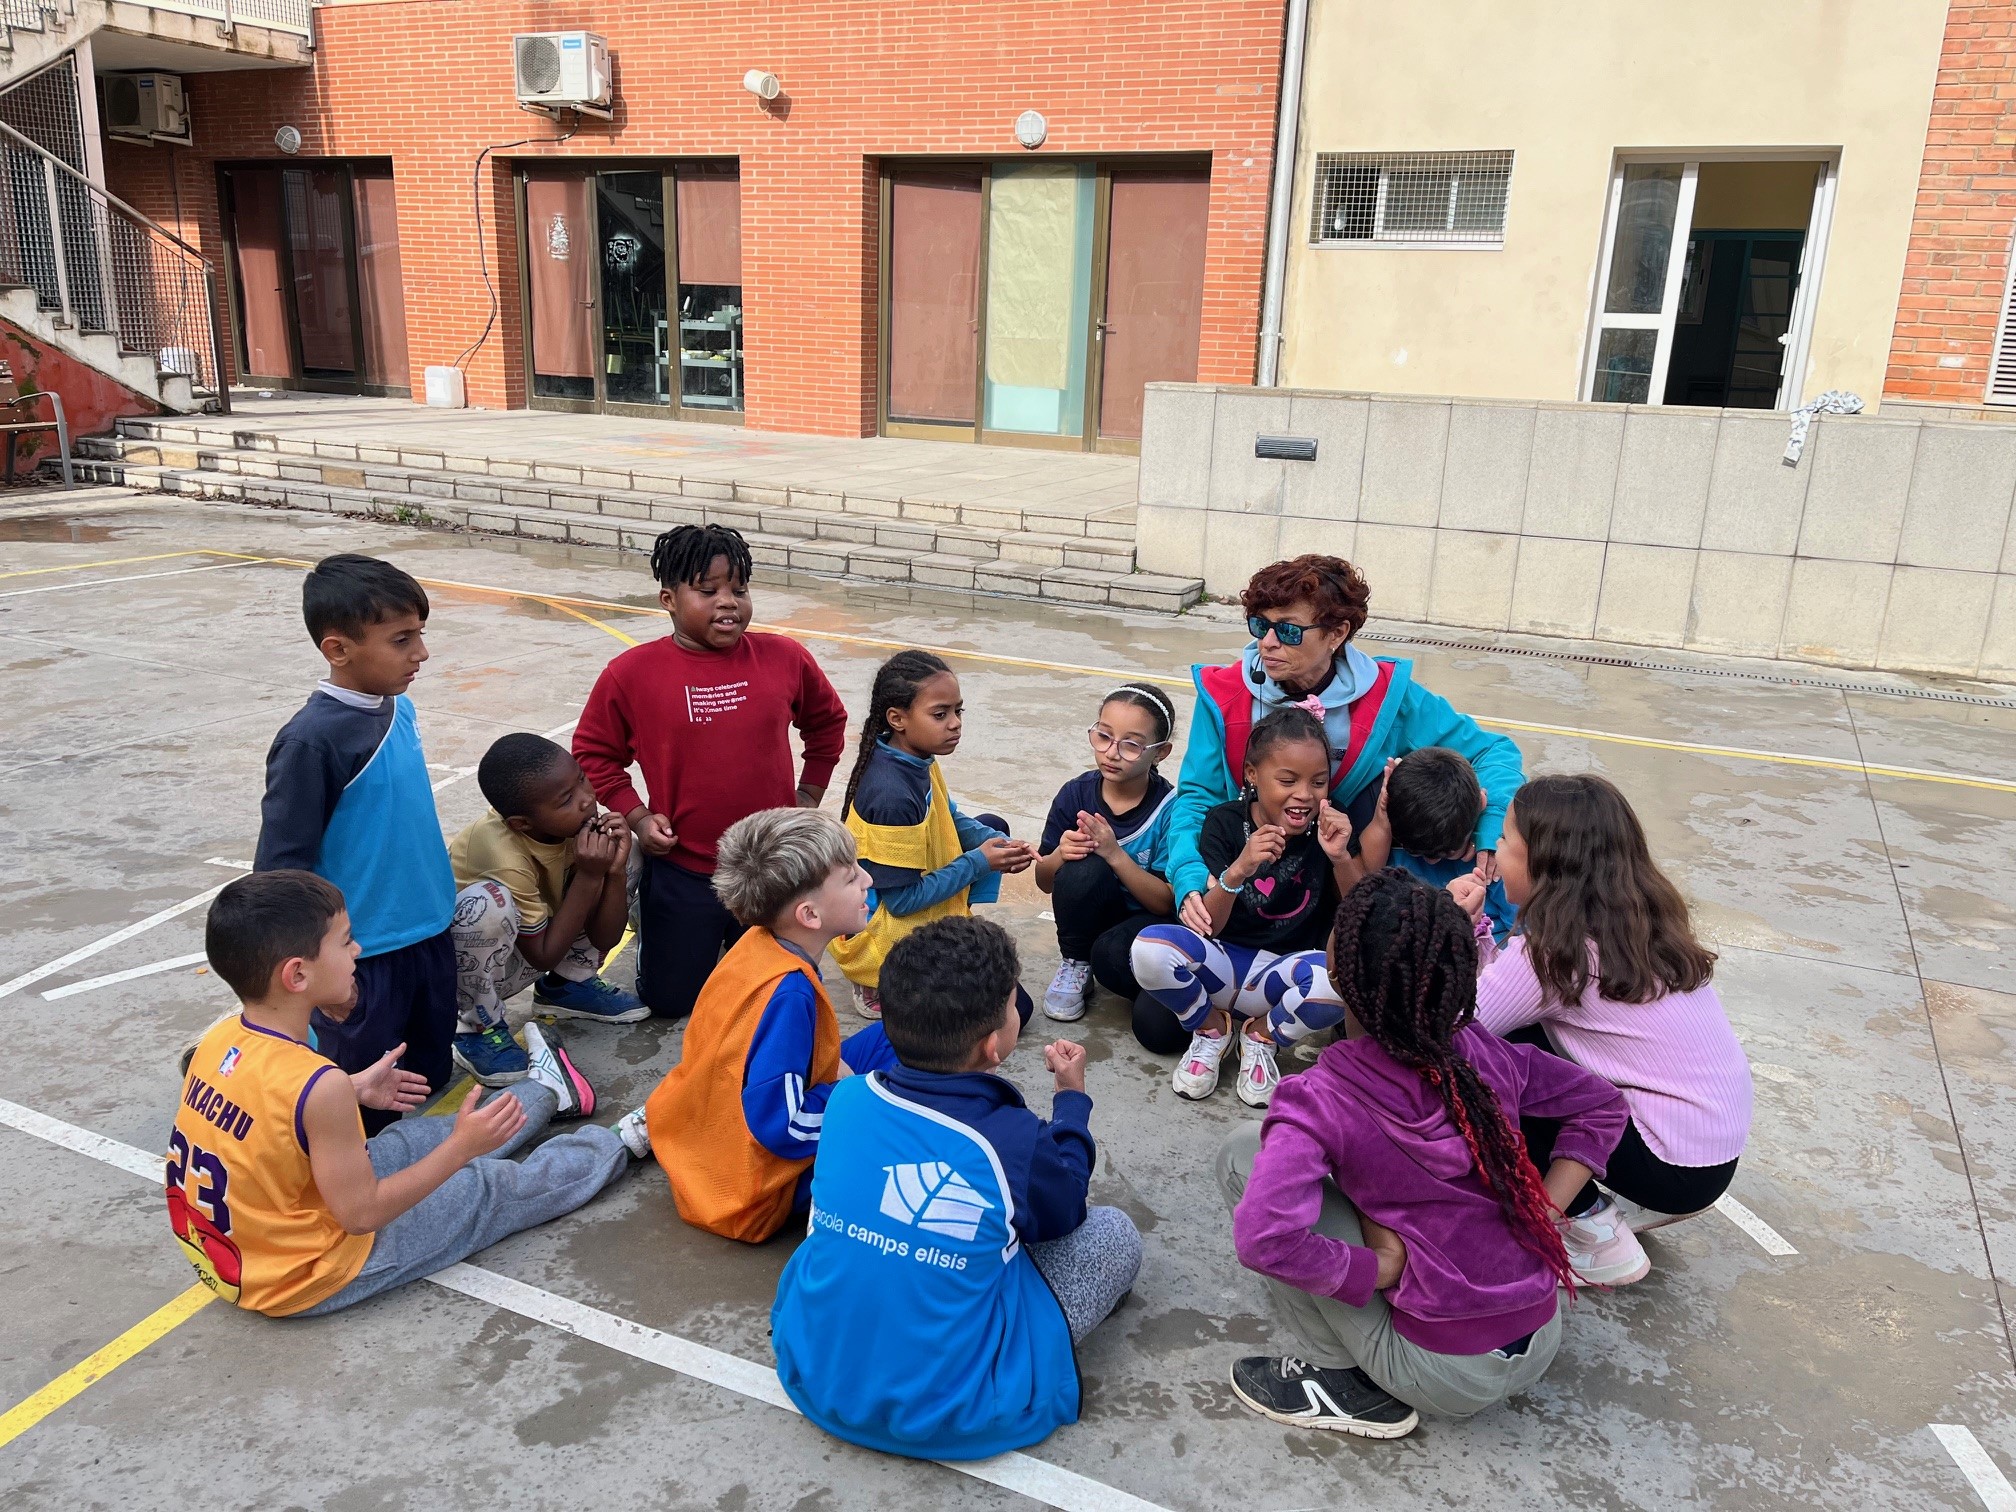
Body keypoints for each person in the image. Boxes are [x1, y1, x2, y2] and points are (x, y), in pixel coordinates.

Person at [1220, 870, 1627, 1439]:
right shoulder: (1485, 1051)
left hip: (1441, 1372)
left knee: (1242, 1151)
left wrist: (1375, 1268)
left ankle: (1335, 1381)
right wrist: (1545, 1210)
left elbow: (1264, 1239)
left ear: (1337, 977)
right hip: (1542, 1333)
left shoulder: (1320, 1098)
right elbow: (1604, 1104)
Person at [167, 871, 646, 1320]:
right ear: (297, 975)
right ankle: (622, 1140)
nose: (357, 949)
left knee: (409, 1142)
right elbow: (362, 1215)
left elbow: (262, 1115)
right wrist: (461, 1151)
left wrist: (353, 1088)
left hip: (255, 1242)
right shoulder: (317, 1084)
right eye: (344, 940)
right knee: (484, 1185)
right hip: (305, 1273)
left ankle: (546, 1090)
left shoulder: (220, 1039)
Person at [771, 916, 1141, 1460]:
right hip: (953, 1409)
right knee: (1116, 1234)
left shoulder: (845, 1101)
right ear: (994, 1046)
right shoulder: (1010, 1140)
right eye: (1017, 1006)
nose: (1020, 1011)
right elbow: (1066, 1208)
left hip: (819, 1371)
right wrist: (1071, 1102)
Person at [1159, 554, 1523, 1048]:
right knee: (1149, 1013)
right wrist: (1187, 878)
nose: (1266, 643)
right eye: (1259, 625)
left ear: (1336, 634)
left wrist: (1487, 826)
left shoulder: (1388, 696)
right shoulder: (1224, 695)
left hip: (1334, 884)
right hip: (1239, 883)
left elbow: (1491, 750)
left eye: (1288, 630)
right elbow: (1197, 796)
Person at [1454, 773, 1752, 1284]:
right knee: (1528, 1041)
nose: (1495, 853)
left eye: (1504, 841)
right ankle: (1606, 1201)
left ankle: (1590, 1229)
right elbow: (1501, 996)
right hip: (1710, 1153)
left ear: (1545, 866)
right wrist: (1483, 931)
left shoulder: (1550, 955)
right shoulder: (1639, 924)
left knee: (1484, 1068)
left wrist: (1457, 931)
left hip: (1669, 1161)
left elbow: (1460, 1022)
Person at [573, 525, 850, 1021]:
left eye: (739, 590)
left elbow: (828, 722)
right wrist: (637, 817)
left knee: (776, 997)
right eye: (708, 590)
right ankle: (656, 929)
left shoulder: (785, 657)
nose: (729, 602)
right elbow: (594, 753)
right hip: (685, 867)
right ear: (668, 599)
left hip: (772, 869)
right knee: (672, 1003)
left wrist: (809, 793)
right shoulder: (631, 673)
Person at [254, 553, 457, 1135]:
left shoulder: (401, 707)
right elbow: (279, 872)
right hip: (362, 955)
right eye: (401, 640)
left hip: (428, 933)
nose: (420, 653)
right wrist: (318, 976)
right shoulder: (309, 742)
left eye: (420, 635)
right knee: (358, 1104)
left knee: (424, 1079)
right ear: (338, 650)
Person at [643, 808, 893, 1243]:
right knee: (900, 1100)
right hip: (748, 1196)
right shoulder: (789, 995)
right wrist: (858, 1097)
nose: (868, 882)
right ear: (810, 915)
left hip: (705, 1142)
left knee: (906, 1034)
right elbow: (782, 1125)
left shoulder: (756, 943)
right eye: (852, 878)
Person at [1131, 708, 1356, 1107]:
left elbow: (1362, 915)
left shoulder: (1329, 829)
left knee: (1343, 982)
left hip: (1279, 976)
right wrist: (1240, 869)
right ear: (1252, 775)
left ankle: (1262, 1036)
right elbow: (1210, 928)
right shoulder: (1225, 822)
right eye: (1288, 780)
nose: (1305, 794)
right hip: (1220, 962)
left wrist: (1339, 857)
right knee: (1147, 949)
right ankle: (1211, 1029)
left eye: (1318, 782)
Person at [829, 650, 1036, 1021]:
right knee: (1013, 1010)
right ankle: (877, 978)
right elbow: (902, 903)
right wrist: (979, 861)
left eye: (959, 711)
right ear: (898, 718)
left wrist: (996, 843)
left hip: (903, 891)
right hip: (883, 926)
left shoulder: (915, 755)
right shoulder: (892, 794)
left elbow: (948, 815)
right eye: (940, 714)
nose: (955, 724)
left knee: (994, 827)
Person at [445, 733, 646, 1088]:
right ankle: (474, 1027)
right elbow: (541, 956)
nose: (587, 800)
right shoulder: (501, 851)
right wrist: (589, 876)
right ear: (523, 823)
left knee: (623, 849)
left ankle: (568, 986)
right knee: (489, 904)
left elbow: (606, 937)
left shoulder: (573, 824)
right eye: (566, 799)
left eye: (582, 778)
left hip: (539, 936)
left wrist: (611, 874)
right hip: (478, 967)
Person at [1032, 682, 1179, 1023]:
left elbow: (1164, 903)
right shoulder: (1076, 793)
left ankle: (1118, 965)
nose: (1112, 752)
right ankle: (1075, 962)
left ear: (1160, 752)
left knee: (1113, 960)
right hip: (1094, 916)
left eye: (1131, 744)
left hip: (1146, 923)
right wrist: (1061, 854)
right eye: (1104, 736)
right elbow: (1044, 881)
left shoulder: (1170, 809)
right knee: (1081, 869)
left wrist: (1115, 854)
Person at [1353, 748, 1516, 940]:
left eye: (1446, 853)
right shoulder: (1391, 837)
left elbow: (1528, 937)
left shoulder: (1493, 862)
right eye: (1417, 852)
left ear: (1481, 803)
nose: (1431, 861)